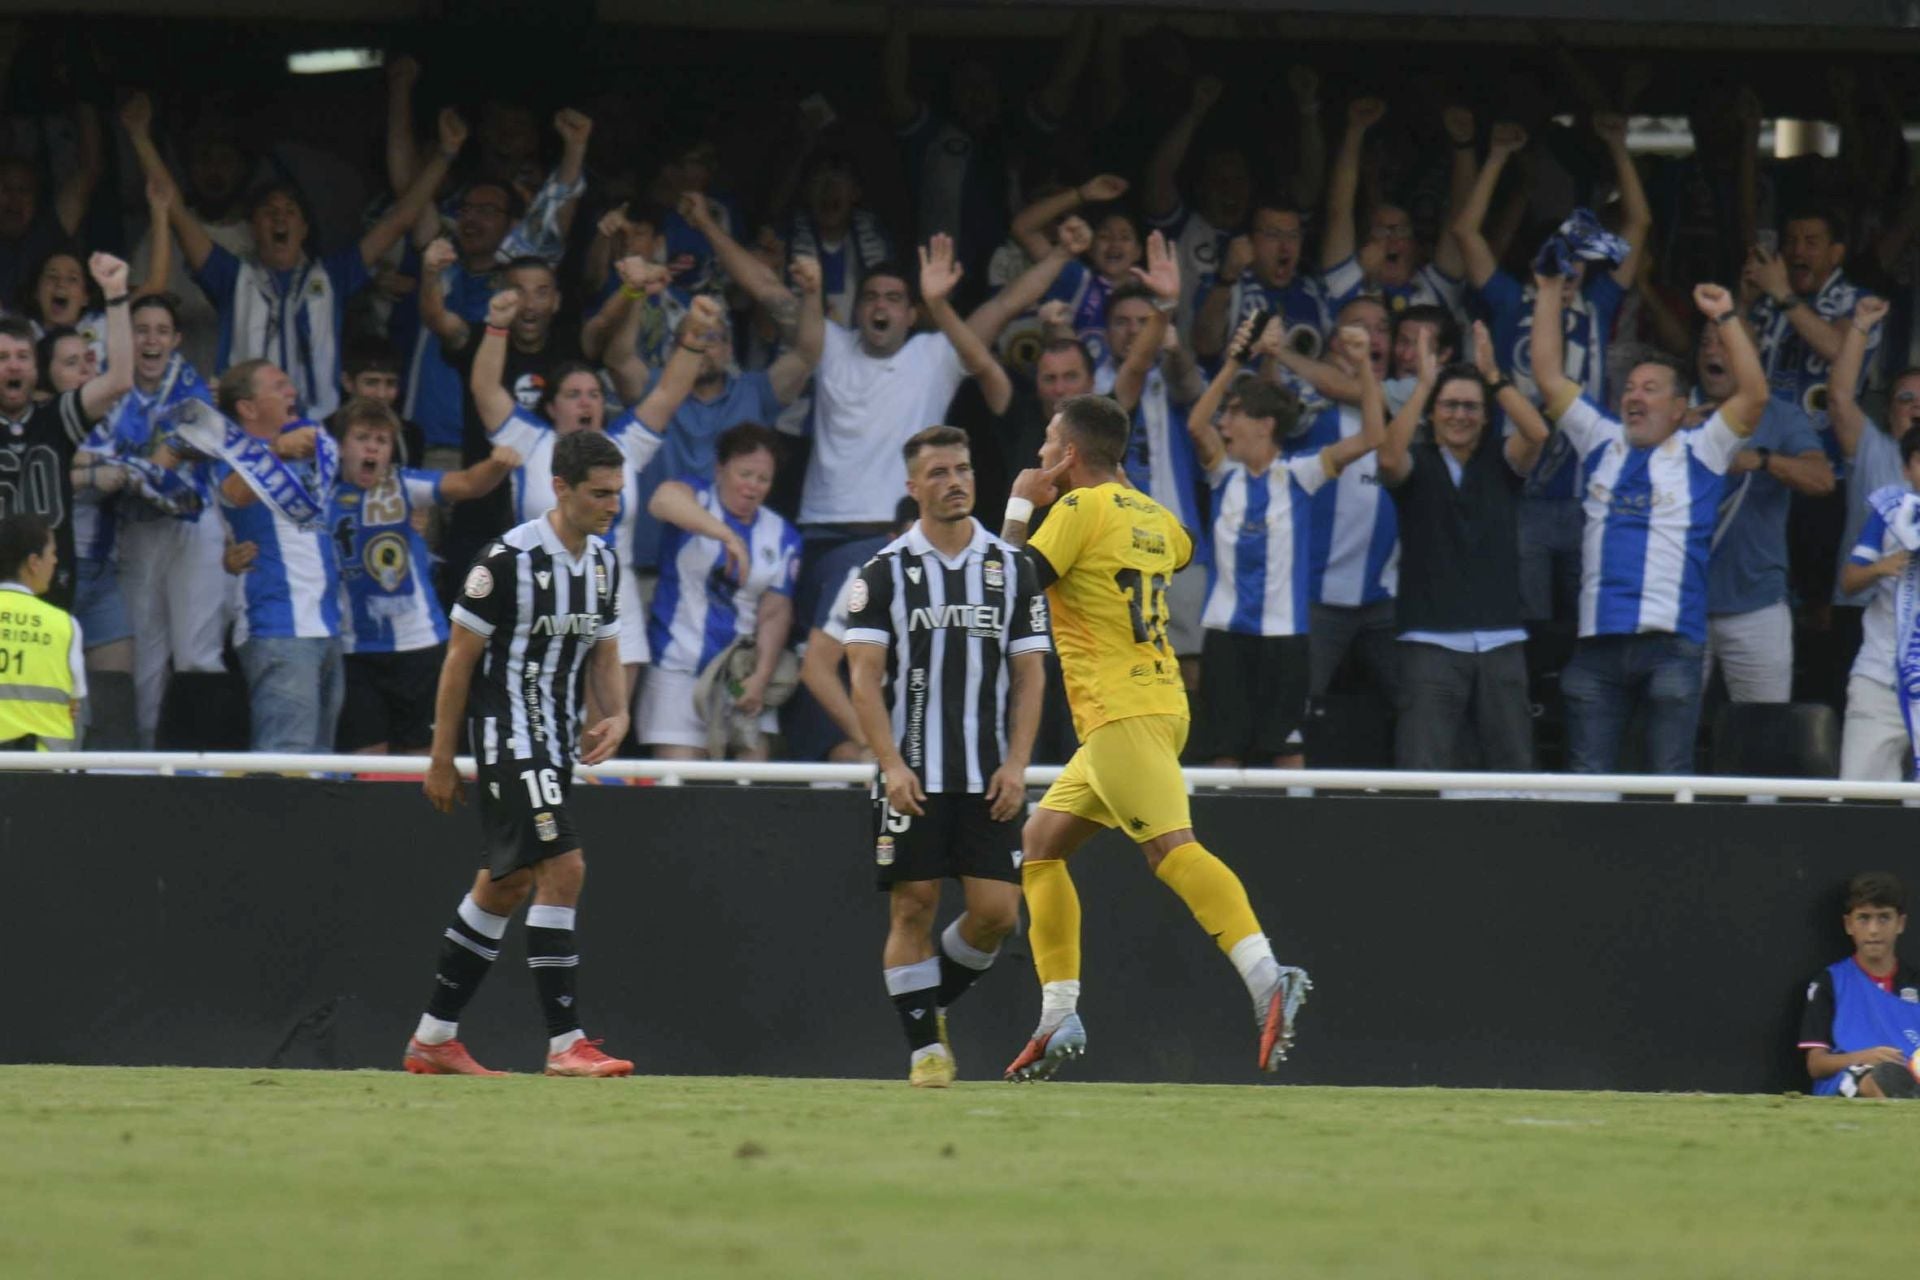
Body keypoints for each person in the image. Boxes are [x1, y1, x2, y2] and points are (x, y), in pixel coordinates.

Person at [997, 394, 1312, 1082]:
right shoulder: (1156, 517)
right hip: (1161, 705)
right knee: (1041, 846)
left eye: (1051, 444)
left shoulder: (1075, 511)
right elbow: (1181, 546)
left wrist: (1022, 504)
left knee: (1171, 850)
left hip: (1119, 713)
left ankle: (1267, 976)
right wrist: (1115, 481)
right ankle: (1059, 1013)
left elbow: (1007, 588)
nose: (1043, 456)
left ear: (1071, 456)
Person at [406, 429, 634, 1079]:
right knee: (565, 867)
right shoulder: (504, 561)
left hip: (555, 745)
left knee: (504, 885)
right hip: (509, 737)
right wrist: (441, 758)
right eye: (599, 494)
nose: (611, 506)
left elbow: (606, 652)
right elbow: (458, 663)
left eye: (617, 494)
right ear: (560, 489)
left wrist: (617, 714)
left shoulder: (603, 565)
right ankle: (567, 1043)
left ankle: (432, 1038)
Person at [844, 426, 1049, 1087]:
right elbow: (863, 681)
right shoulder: (883, 573)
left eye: (961, 469)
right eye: (938, 473)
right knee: (913, 906)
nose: (954, 481)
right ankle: (924, 1051)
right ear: (913, 487)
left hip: (987, 774)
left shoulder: (1012, 569)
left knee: (997, 914)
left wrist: (1017, 764)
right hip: (913, 774)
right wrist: (891, 766)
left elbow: (1030, 676)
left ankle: (924, 1010)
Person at [1530, 278, 1769, 775]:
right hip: (1596, 648)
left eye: (1651, 389)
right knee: (1588, 783)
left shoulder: (1702, 449)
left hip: (1670, 646)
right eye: (1630, 388)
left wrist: (1725, 317)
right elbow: (1548, 376)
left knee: (1669, 781)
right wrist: (1550, 292)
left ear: (1679, 409)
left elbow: (1755, 394)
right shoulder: (1600, 440)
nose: (1634, 396)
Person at [137, 107, 468, 419]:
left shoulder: (334, 275)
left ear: (304, 228)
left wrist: (445, 154)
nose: (280, 218)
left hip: (317, 432)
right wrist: (139, 135)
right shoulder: (231, 277)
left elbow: (400, 219)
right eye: (269, 212)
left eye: (290, 212)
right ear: (254, 228)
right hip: (246, 432)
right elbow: (176, 212)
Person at [473, 289, 714, 698]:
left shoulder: (624, 445)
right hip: (541, 599)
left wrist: (694, 337)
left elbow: (668, 394)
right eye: (573, 395)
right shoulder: (528, 440)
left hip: (615, 604)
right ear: (552, 407)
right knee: (545, 728)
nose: (586, 402)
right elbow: (485, 390)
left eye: (595, 394)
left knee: (604, 740)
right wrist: (497, 326)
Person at [1186, 319, 1387, 768]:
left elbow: (1374, 436)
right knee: (1224, 751)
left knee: (1288, 751)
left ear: (1264, 425)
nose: (1225, 421)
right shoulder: (1224, 473)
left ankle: (1295, 835)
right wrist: (1236, 361)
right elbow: (1198, 423)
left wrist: (1365, 370)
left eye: (1235, 412)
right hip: (1226, 634)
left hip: (1285, 637)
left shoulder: (1301, 473)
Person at [796, 237, 1011, 617]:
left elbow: (1003, 306)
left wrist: (1062, 252)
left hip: (895, 529)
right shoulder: (832, 343)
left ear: (913, 314)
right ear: (857, 309)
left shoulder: (935, 353)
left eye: (894, 298)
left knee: (893, 651)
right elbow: (767, 292)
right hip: (822, 527)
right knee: (823, 653)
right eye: (871, 297)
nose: (880, 305)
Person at [1378, 323, 1550, 771]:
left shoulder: (1500, 461)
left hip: (1501, 641)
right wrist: (1424, 387)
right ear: (1432, 413)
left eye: (1472, 407)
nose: (1460, 415)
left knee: (1513, 772)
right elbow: (1387, 458)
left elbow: (1537, 433)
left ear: (1486, 415)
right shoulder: (1419, 464)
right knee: (1422, 771)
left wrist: (1494, 377)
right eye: (1450, 405)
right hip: (1429, 639)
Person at [328, 399, 516, 755]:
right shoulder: (322, 494)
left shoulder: (404, 484)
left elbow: (467, 484)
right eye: (362, 438)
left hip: (420, 645)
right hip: (355, 650)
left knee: (423, 762)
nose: (372, 447)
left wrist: (497, 464)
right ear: (340, 447)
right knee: (368, 761)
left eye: (381, 441)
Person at [86, 294, 223, 747]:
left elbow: (198, 447)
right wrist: (152, 463)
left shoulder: (191, 386)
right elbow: (103, 457)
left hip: (191, 523)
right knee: (144, 651)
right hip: (136, 528)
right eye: (141, 329)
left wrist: (139, 466)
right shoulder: (107, 385)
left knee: (197, 652)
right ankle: (144, 759)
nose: (151, 340)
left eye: (161, 331)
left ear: (176, 340)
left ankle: (198, 760)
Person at [195, 361, 344, 753]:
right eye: (278, 386)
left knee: (319, 763)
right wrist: (275, 449)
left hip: (327, 626)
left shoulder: (307, 452)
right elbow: (232, 496)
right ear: (247, 408)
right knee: (286, 759)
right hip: (278, 627)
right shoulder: (233, 457)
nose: (291, 391)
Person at [641, 424, 802, 760]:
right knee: (677, 783)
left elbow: (775, 612)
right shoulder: (694, 497)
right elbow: (661, 500)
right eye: (745, 474)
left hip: (740, 673)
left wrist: (761, 677)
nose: (753, 487)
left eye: (763, 479)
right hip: (678, 666)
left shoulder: (781, 533)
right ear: (720, 469)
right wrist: (727, 536)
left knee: (750, 779)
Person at [1696, 319, 1833, 703]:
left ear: (1750, 355)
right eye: (1705, 343)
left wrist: (1762, 459)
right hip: (1683, 604)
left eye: (1724, 343)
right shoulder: (1680, 408)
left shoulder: (1781, 416)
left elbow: (1822, 480)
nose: (1711, 351)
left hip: (1757, 606)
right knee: (1668, 733)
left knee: (1765, 733)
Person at [0, 254, 136, 612]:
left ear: (35, 369)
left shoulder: (55, 417)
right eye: (2, 357)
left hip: (51, 595)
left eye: (22, 356)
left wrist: (116, 293)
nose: (13, 364)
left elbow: (120, 379)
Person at [1837, 429, 1920, 780]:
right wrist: (1880, 568)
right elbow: (1849, 582)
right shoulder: (1890, 514)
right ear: (1906, 469)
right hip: (1878, 677)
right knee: (1858, 799)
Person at [1799, 872, 1920, 1099]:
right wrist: (1865, 1056)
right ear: (1849, 924)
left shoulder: (1915, 984)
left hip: (1912, 1077)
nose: (1873, 930)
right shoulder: (1830, 982)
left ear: (1900, 923)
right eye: (1864, 918)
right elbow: (1816, 1065)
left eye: (1884, 918)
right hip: (1848, 1083)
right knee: (1876, 1076)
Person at [0, 513, 85, 751]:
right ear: (33, 562)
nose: (56, 561)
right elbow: (75, 706)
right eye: (52, 553)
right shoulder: (64, 625)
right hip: (47, 777)